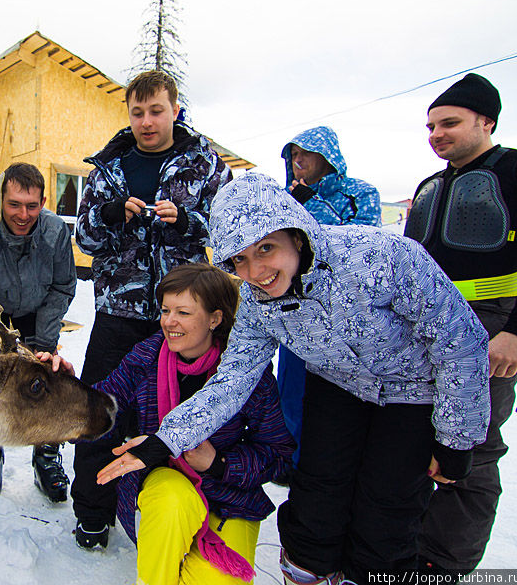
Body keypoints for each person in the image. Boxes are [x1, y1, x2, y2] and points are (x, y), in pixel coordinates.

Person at [97, 172, 491, 583]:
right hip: (336, 384)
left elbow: (460, 341)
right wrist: (166, 440)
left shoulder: (381, 257)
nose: (256, 271)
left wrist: (456, 439)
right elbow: (232, 380)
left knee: (386, 507)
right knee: (317, 499)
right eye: (240, 259)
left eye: (266, 248)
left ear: (297, 236)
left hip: (412, 391)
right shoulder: (255, 302)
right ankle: (309, 573)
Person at [42, 263, 294, 584]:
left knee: (218, 581)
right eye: (165, 310)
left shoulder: (245, 373)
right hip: (165, 487)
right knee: (171, 500)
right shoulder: (148, 357)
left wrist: (218, 463)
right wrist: (63, 388)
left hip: (231, 499)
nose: (169, 322)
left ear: (215, 318)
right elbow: (102, 408)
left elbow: (279, 455)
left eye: (183, 313)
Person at [71, 69, 230, 548]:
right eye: (137, 112)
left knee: (177, 416)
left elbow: (226, 235)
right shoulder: (107, 168)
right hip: (118, 311)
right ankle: (93, 511)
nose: (146, 121)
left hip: (184, 319)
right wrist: (108, 213)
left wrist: (188, 220)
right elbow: (84, 237)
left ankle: (174, 518)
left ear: (175, 110)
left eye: (156, 110)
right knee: (100, 410)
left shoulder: (205, 164)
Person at [403, 73, 517, 576]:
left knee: (471, 449)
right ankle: (403, 544)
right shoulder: (430, 186)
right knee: (414, 436)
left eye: (450, 123)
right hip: (422, 329)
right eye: (431, 126)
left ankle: (443, 562)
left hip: (490, 327)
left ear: (487, 120)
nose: (437, 134)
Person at [0, 162, 77, 502]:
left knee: (48, 383)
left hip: (37, 316)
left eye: (31, 205)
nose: (23, 214)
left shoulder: (55, 231)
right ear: (0, 201)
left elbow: (62, 286)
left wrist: (43, 341)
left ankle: (45, 456)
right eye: (14, 204)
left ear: (43, 202)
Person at [276, 126, 382, 465]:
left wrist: (312, 206)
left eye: (304, 153)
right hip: (296, 311)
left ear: (328, 157)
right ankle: (289, 460)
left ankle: (325, 461)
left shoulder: (360, 193)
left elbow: (361, 245)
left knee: (334, 396)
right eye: (293, 155)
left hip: (342, 316)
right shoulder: (286, 197)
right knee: (291, 390)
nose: (298, 161)